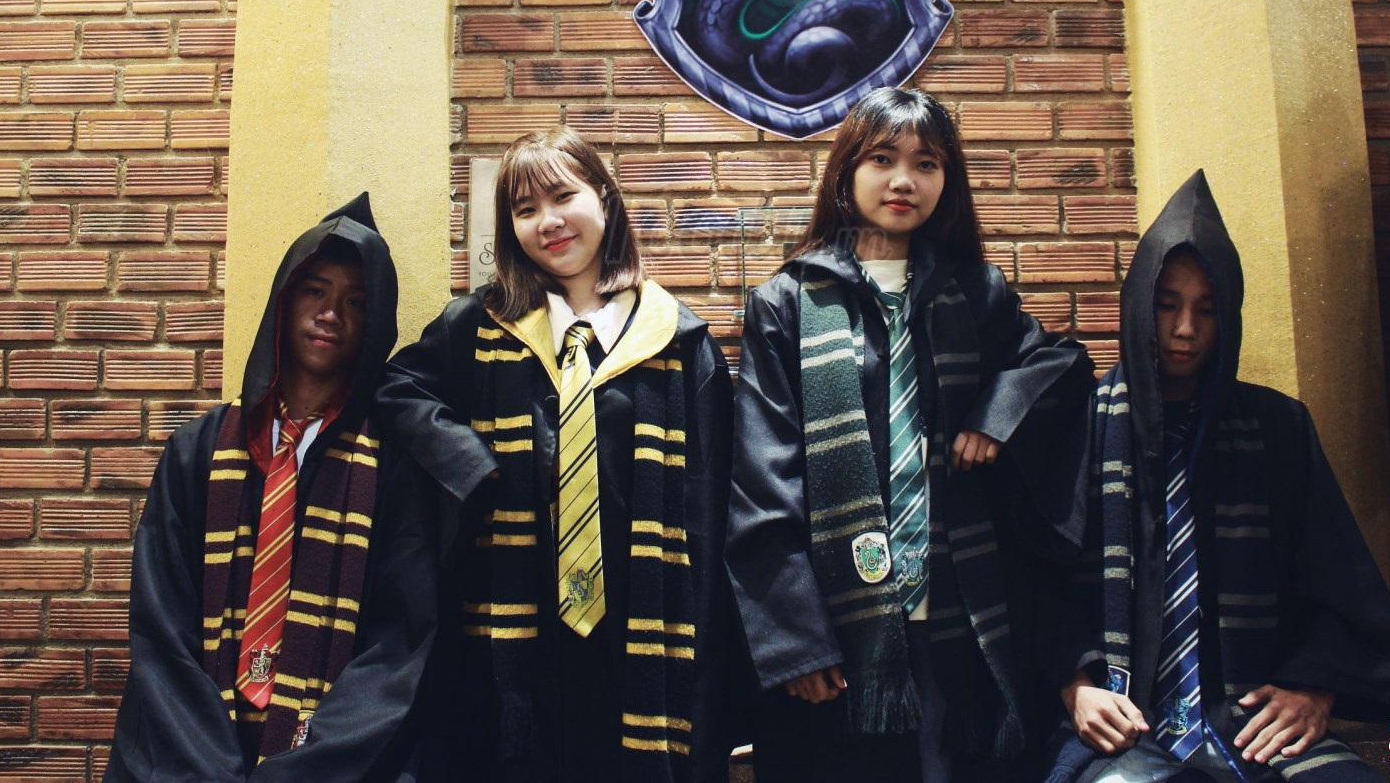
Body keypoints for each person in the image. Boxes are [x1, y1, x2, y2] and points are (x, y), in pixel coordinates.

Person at [727, 86, 1094, 782]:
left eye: (926, 164)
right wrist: (796, 641)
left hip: (961, 609)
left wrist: (995, 412)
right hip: (838, 626)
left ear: (947, 182)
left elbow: (1061, 364)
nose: (904, 180)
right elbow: (762, 478)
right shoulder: (785, 303)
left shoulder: (974, 292)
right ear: (846, 172)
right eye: (882, 159)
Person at [375, 126, 739, 782]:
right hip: (515, 634)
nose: (547, 221)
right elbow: (395, 391)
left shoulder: (678, 343)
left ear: (604, 197)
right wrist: (469, 461)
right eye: (525, 209)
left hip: (640, 629)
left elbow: (712, 513)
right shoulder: (478, 328)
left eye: (563, 196)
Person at [1044, 171, 1390, 783]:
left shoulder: (1278, 429)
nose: (1185, 329)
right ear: (1138, 304)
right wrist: (1076, 686)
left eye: (1207, 309)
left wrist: (1315, 688)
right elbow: (1039, 584)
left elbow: (1339, 583)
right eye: (1167, 304)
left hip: (1246, 718)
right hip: (1119, 719)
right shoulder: (1080, 427)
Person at [106, 194, 438, 782]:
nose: (330, 313)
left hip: (333, 759)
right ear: (283, 301)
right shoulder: (197, 451)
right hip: (191, 749)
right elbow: (162, 626)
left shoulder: (394, 467)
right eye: (314, 291)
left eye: (355, 301)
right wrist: (211, 767)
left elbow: (399, 641)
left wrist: (303, 770)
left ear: (375, 325)